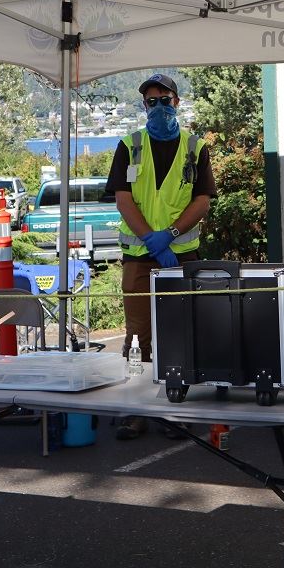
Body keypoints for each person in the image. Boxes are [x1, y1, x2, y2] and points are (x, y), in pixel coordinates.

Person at [105, 73, 216, 440]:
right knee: (138, 336)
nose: (158, 107)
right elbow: (123, 198)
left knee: (179, 331)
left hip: (181, 255)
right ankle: (135, 409)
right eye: (151, 102)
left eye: (164, 100)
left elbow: (202, 200)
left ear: (177, 103)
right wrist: (151, 241)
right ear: (143, 106)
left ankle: (174, 408)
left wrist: (168, 237)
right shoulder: (129, 144)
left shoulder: (196, 148)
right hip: (139, 256)